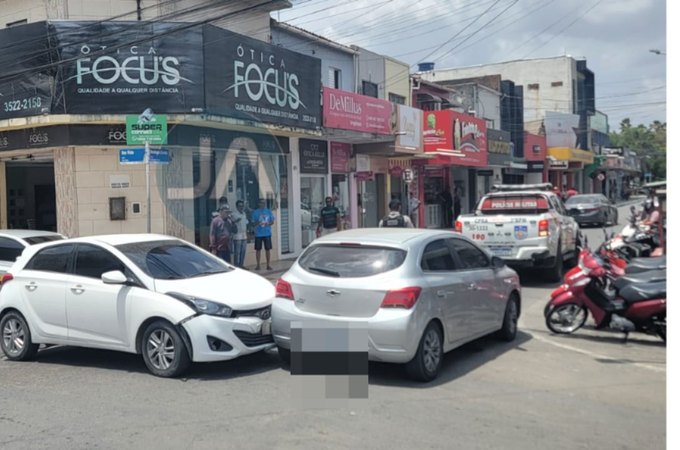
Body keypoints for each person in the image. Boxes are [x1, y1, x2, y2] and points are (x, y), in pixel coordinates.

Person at [251, 198, 275, 271]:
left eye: (264, 203)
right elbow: (253, 223)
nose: (263, 204)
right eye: (261, 203)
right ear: (259, 204)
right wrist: (258, 222)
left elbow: (272, 221)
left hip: (267, 233)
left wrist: (268, 223)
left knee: (267, 249)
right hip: (258, 234)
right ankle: (258, 265)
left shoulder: (268, 211)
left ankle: (268, 265)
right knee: (258, 249)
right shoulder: (255, 212)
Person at [231, 200, 249, 268]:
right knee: (237, 252)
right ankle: (236, 266)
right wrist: (236, 221)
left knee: (243, 252)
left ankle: (241, 265)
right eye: (239, 206)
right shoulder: (234, 214)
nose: (241, 207)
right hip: (237, 236)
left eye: (242, 206)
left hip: (244, 235)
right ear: (236, 206)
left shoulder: (244, 213)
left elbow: (246, 223)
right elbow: (231, 223)